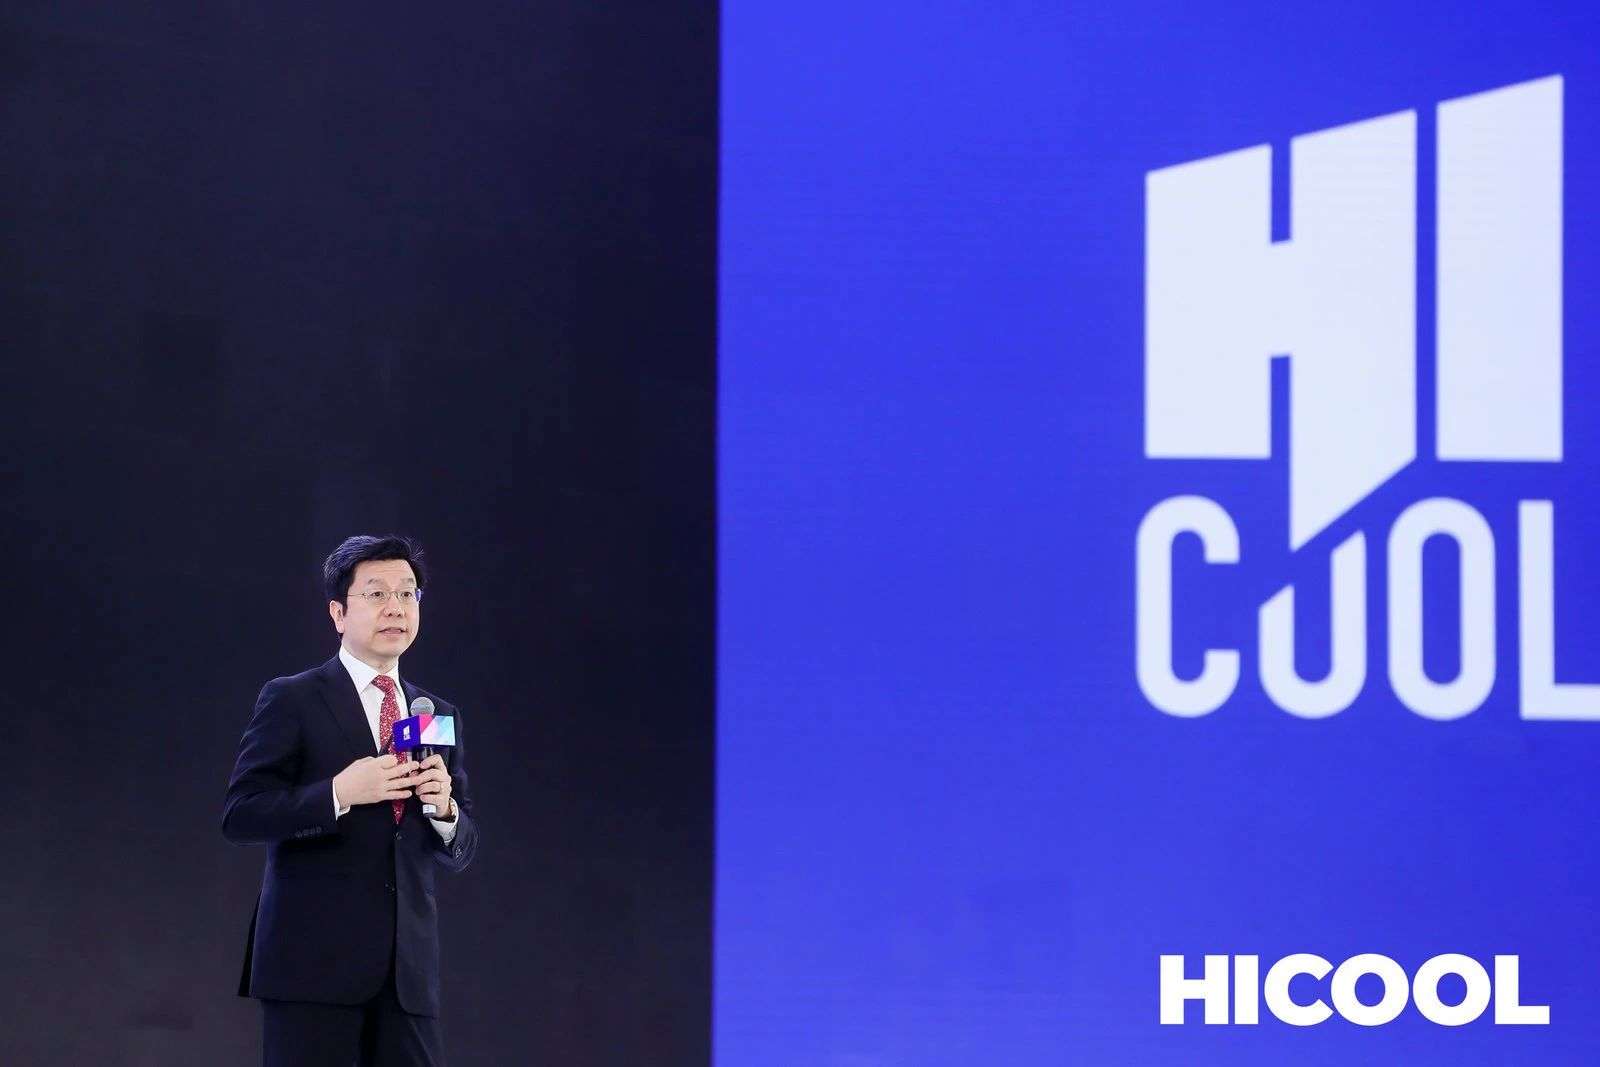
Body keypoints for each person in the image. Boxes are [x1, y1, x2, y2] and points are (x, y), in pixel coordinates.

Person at [223, 535, 479, 1067]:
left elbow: (461, 844)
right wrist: (339, 792)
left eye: (407, 594)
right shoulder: (293, 697)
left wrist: (445, 810)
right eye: (377, 593)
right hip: (311, 968)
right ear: (338, 613)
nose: (396, 608)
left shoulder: (435, 713)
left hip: (406, 977)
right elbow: (243, 813)